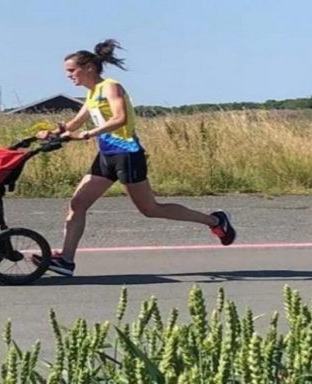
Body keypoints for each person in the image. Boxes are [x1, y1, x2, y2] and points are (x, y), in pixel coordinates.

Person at [35, 39, 236, 277]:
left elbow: (119, 118)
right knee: (78, 204)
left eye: (71, 70)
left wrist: (89, 133)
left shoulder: (110, 87)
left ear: (88, 67)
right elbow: (74, 124)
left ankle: (215, 221)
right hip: (106, 156)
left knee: (150, 209)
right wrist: (53, 132)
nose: (69, 76)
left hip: (127, 153)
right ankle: (66, 261)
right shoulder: (91, 95)